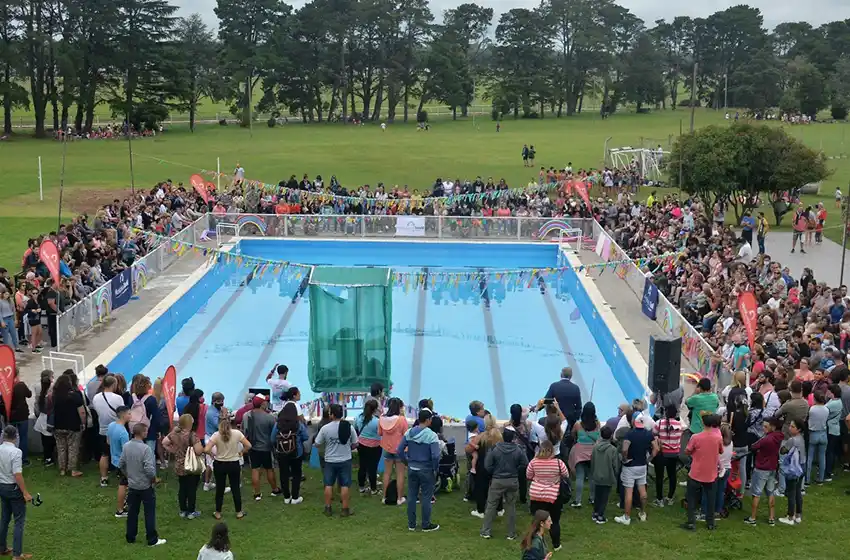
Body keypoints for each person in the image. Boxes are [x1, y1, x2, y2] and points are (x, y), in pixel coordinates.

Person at [120, 423, 166, 547]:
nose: (147, 433)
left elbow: (122, 464)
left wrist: (128, 475)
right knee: (149, 513)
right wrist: (154, 479)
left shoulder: (126, 446)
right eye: (146, 431)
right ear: (142, 433)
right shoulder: (146, 449)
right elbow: (149, 469)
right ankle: (152, 539)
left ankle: (130, 537)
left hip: (133, 485)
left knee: (132, 513)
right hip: (145, 486)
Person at [397, 409, 441, 533]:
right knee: (426, 497)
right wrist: (434, 467)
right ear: (427, 420)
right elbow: (435, 455)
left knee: (411, 495)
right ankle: (426, 524)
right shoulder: (431, 435)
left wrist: (407, 462)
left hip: (412, 468)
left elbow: (399, 450)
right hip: (426, 469)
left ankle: (411, 524)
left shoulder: (409, 432)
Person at [480, 428, 528, 540]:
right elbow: (525, 463)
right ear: (513, 438)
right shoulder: (519, 449)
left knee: (491, 505)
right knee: (511, 506)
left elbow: (487, 465)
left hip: (497, 480)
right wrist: (516, 471)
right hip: (513, 480)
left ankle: (486, 531)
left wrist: (495, 472)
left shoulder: (494, 449)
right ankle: (511, 533)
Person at [315, 403, 358, 517]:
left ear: (332, 415)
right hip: (345, 460)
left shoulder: (325, 428)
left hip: (330, 460)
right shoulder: (349, 427)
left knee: (328, 484)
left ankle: (328, 508)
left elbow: (317, 443)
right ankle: (345, 509)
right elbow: (355, 443)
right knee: (345, 484)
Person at [614, 413, 657, 526]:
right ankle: (642, 513)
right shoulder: (649, 434)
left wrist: (624, 458)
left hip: (630, 466)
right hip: (642, 465)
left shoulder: (630, 434)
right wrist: (649, 459)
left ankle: (626, 517)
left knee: (629, 491)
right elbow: (656, 448)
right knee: (642, 490)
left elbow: (624, 449)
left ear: (633, 421)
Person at [682, 413, 723, 531]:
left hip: (696, 472)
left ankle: (691, 522)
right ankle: (710, 523)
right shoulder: (718, 438)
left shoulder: (696, 437)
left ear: (703, 423)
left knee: (692, 498)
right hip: (711, 473)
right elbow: (720, 451)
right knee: (711, 498)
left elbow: (687, 451)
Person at [204, 418, 251, 520]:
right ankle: (239, 512)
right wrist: (242, 452)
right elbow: (248, 445)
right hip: (234, 463)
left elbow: (206, 449)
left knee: (220, 489)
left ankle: (218, 512)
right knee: (235, 488)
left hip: (219, 464)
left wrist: (212, 454)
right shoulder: (237, 434)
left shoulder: (216, 435)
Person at [162, 413, 205, 519]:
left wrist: (173, 450)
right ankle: (191, 511)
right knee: (191, 488)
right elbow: (199, 451)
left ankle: (183, 510)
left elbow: (164, 442)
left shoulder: (174, 434)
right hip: (191, 465)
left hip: (179, 464)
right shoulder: (192, 435)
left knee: (182, 488)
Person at [526, 441, 566, 549]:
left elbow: (528, 475)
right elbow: (565, 474)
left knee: (537, 520)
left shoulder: (534, 462)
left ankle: (535, 543)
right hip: (553, 495)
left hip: (536, 494)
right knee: (554, 521)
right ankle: (556, 544)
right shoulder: (558, 462)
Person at [0, 426, 32, 560]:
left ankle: (2, 548)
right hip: (13, 488)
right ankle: (17, 555)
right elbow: (17, 474)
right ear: (16, 436)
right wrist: (25, 492)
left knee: (5, 518)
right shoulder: (16, 452)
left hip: (2, 487)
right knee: (19, 521)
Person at [745, 417, 784, 526]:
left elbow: (754, 446)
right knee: (770, 492)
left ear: (773, 427)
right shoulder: (779, 437)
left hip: (762, 468)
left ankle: (752, 517)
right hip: (772, 467)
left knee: (756, 493)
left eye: (766, 426)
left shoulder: (766, 439)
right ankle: (771, 517)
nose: (763, 428)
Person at [241, 396, 281, 501]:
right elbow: (274, 433)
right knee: (269, 469)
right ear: (262, 404)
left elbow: (244, 431)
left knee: (255, 469)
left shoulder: (246, 415)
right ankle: (274, 489)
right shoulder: (270, 417)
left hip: (252, 447)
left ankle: (257, 494)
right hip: (266, 447)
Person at [92, 375, 125, 487]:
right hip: (117, 429)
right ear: (114, 385)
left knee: (104, 454)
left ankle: (104, 478)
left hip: (103, 429)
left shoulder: (96, 397)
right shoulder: (118, 398)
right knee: (121, 453)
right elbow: (122, 413)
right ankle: (122, 475)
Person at [273, 401, 308, 504]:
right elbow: (306, 437)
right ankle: (295, 497)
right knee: (296, 474)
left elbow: (272, 438)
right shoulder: (298, 424)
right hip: (296, 452)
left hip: (281, 452)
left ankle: (286, 497)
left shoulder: (278, 424)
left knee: (283, 474)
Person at [51, 373, 85, 477]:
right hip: (72, 425)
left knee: (61, 447)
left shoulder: (54, 396)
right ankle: (72, 469)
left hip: (58, 425)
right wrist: (83, 423)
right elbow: (82, 412)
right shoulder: (74, 396)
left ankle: (62, 469)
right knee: (72, 448)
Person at [568, 402, 599, 508]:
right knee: (592, 477)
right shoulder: (597, 423)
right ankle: (592, 498)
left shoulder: (578, 425)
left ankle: (578, 501)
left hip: (580, 453)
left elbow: (572, 435)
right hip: (593, 453)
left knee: (580, 477)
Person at [378, 398, 408, 505]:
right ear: (399, 407)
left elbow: (380, 433)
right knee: (400, 474)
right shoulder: (401, 420)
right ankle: (399, 498)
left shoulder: (382, 418)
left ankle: (384, 497)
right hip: (399, 450)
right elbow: (406, 434)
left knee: (387, 473)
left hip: (386, 448)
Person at [651, 404, 682, 507]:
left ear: (665, 413)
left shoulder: (659, 423)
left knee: (659, 477)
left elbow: (654, 434)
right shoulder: (679, 425)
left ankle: (659, 499)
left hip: (661, 453)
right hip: (673, 454)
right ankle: (670, 497)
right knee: (672, 476)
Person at [778, 418, 806, 525]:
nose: (790, 428)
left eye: (793, 426)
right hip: (802, 466)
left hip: (794, 468)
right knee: (798, 491)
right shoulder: (801, 438)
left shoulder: (792, 440)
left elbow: (783, 450)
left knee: (791, 492)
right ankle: (798, 515)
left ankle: (790, 517)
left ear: (798, 429)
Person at [590, 426, 619, 524]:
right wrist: (616, 474)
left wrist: (593, 472)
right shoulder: (613, 450)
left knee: (597, 495)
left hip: (597, 475)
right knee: (604, 497)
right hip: (608, 476)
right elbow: (615, 464)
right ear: (611, 436)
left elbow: (592, 461)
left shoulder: (595, 447)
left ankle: (595, 513)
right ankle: (600, 515)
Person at [107, 406, 131, 518]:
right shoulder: (123, 433)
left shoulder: (111, 425)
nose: (130, 416)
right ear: (123, 415)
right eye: (129, 414)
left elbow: (108, 441)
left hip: (114, 459)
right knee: (123, 484)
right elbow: (127, 451)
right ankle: (120, 510)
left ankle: (125, 504)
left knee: (125, 484)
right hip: (122, 462)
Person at [354, 399, 381, 495]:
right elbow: (380, 433)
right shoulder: (377, 421)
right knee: (372, 468)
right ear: (375, 410)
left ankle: (361, 487)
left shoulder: (358, 417)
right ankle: (373, 489)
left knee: (362, 466)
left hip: (361, 445)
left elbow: (355, 428)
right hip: (375, 446)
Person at [33, 370, 55, 467]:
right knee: (49, 440)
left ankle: (47, 457)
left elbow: (37, 406)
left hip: (42, 418)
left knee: (44, 440)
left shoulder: (41, 395)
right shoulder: (49, 398)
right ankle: (49, 458)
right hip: (48, 419)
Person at [807, 391, 829, 484]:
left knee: (810, 457)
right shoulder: (826, 409)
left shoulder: (812, 409)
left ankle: (807, 479)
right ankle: (821, 478)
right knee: (822, 457)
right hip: (823, 433)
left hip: (813, 433)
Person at [9, 379, 31, 467]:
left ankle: (12, 459)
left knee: (10, 438)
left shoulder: (5, 386)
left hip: (11, 415)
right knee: (23, 437)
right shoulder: (21, 385)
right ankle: (23, 459)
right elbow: (29, 394)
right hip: (22, 415)